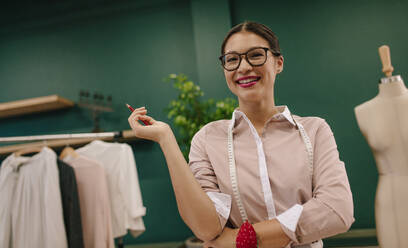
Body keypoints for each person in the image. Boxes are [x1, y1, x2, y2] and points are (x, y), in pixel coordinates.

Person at [128, 21, 354, 248]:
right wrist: (166, 139)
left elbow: (337, 210)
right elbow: (206, 228)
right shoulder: (207, 139)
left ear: (278, 63)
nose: (243, 67)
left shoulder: (315, 130)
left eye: (256, 55)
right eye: (232, 59)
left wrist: (238, 239)